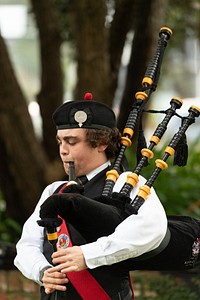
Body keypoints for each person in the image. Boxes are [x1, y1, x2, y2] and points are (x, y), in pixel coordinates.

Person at [14, 94, 168, 299]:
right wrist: (42, 271)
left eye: (71, 142)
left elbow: (151, 228)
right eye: (60, 142)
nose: (63, 151)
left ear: (101, 143)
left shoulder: (126, 184)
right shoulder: (54, 190)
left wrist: (89, 255)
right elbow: (27, 245)